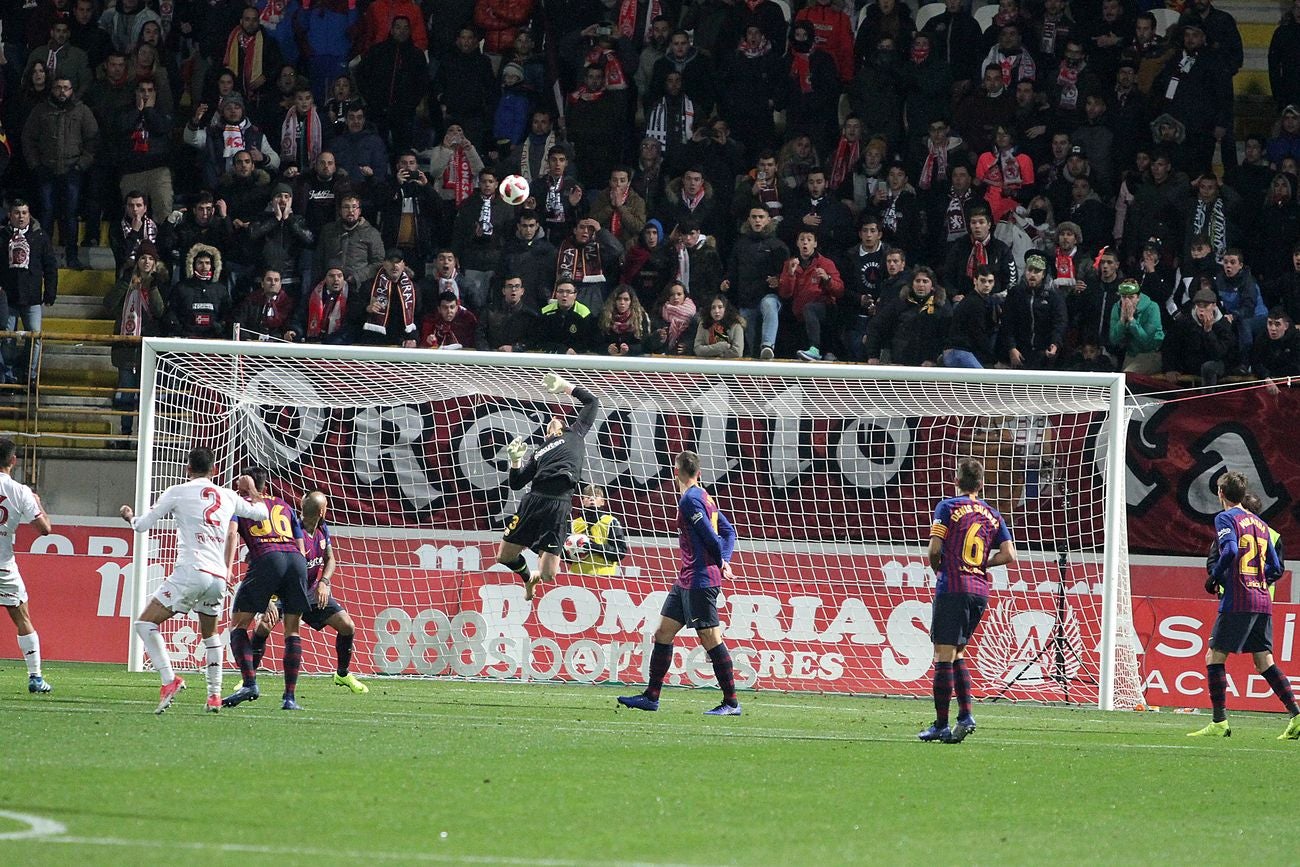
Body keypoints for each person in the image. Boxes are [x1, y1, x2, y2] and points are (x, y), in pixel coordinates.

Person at [120, 446, 268, 713]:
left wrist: (129, 516)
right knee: (210, 634)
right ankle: (214, 696)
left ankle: (169, 680)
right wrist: (254, 491)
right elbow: (262, 514)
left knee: (144, 623)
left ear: (187, 468)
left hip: (192, 571)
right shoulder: (228, 495)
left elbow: (142, 526)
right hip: (218, 577)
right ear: (214, 470)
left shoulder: (178, 491)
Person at [618, 449, 740, 715]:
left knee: (709, 637)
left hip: (701, 578)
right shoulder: (705, 496)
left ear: (676, 472)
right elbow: (729, 532)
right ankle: (651, 696)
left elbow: (711, 536)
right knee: (663, 632)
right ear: (699, 472)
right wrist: (726, 558)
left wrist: (721, 561)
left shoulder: (691, 500)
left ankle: (731, 703)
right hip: (686, 578)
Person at [1189, 471, 1300, 739]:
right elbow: (1275, 567)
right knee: (1264, 661)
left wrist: (1214, 577)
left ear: (1221, 493)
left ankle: (1219, 723)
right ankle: (1297, 715)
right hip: (1262, 600)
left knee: (1214, 656)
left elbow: (1229, 551)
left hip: (1239, 599)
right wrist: (1257, 579)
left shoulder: (1226, 517)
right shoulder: (1261, 525)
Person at [919, 458, 1015, 743]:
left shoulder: (947, 507)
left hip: (954, 586)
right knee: (958, 653)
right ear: (982, 484)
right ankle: (966, 715)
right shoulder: (993, 515)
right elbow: (1010, 554)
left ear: (957, 481)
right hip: (979, 592)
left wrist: (942, 570)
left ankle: (941, 724)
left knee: (943, 655)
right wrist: (982, 564)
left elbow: (934, 549)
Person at [249, 490, 368, 695]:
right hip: (284, 592)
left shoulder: (322, 528)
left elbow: (330, 559)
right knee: (263, 626)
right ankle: (247, 678)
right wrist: (268, 597)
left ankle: (342, 673)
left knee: (347, 626)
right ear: (323, 511)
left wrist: (324, 581)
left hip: (312, 591)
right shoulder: (290, 531)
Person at [497, 372, 600, 601]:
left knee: (548, 575)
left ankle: (542, 549)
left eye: (557, 421)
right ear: (546, 434)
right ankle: (527, 576)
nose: (553, 421)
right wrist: (515, 462)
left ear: (562, 426)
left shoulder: (575, 433)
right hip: (533, 500)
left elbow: (592, 401)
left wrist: (566, 387)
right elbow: (516, 483)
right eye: (549, 425)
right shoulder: (539, 453)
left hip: (559, 502)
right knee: (504, 556)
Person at [222, 467, 311, 711]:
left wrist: (227, 567)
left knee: (239, 624)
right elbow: (301, 546)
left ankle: (249, 683)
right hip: (296, 560)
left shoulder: (239, 503)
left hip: (267, 557)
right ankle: (289, 698)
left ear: (245, 484)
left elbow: (231, 534)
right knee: (292, 631)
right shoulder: (284, 504)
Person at [0, 438, 54, 695]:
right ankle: (35, 677)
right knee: (22, 618)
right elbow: (45, 530)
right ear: (13, 461)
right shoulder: (20, 491)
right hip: (3, 566)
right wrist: (37, 500)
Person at [565, 484, 629, 578]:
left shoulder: (611, 522)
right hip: (577, 576)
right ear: (582, 501)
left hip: (604, 577)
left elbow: (620, 552)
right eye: (587, 496)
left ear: (602, 502)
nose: (591, 498)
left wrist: (594, 547)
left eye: (595, 496)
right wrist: (574, 550)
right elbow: (563, 553)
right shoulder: (573, 524)